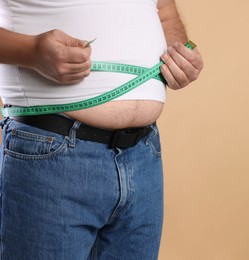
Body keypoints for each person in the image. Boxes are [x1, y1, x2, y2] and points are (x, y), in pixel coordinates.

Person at [0, 0, 203, 259]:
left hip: (144, 158)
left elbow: (165, 12)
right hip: (50, 156)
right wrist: (31, 52)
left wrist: (180, 52)